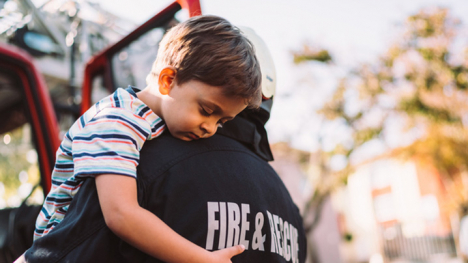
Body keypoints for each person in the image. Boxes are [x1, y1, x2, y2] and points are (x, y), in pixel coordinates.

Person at [19, 26, 307, 263]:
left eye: (222, 122)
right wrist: (202, 259)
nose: (210, 128)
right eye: (207, 110)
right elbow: (121, 214)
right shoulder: (116, 121)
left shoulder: (155, 123)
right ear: (168, 80)